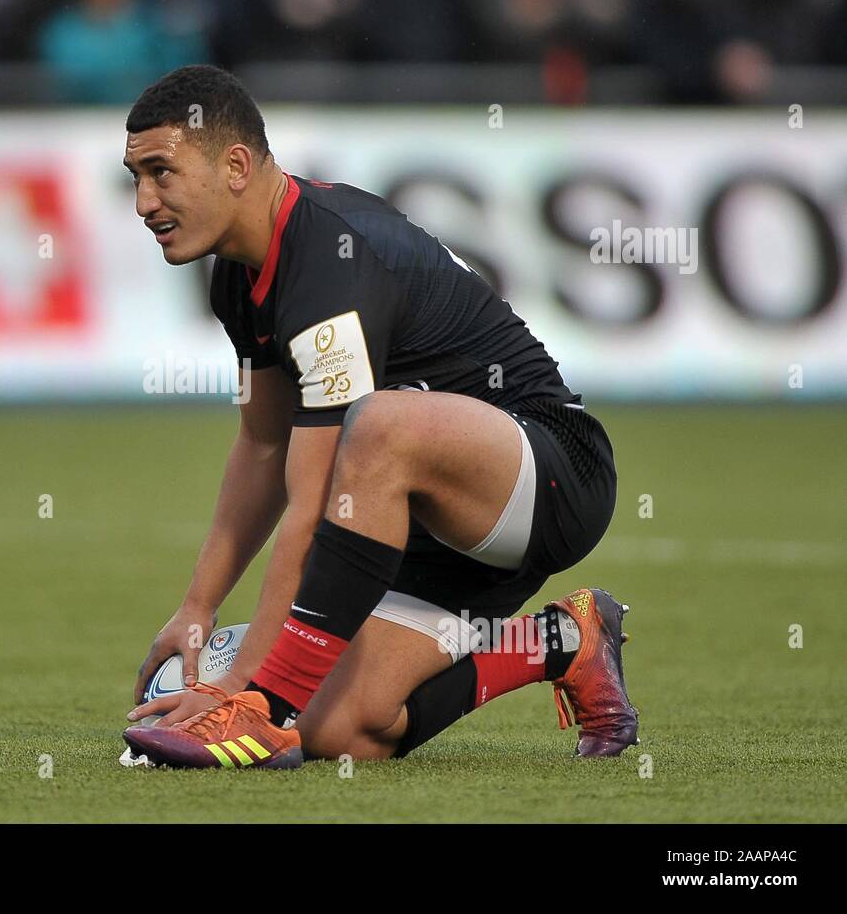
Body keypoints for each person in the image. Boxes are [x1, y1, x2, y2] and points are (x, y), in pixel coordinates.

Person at [120, 65, 635, 769]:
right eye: (135, 178)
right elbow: (265, 447)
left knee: (378, 428)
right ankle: (562, 641)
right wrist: (196, 608)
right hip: (419, 517)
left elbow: (313, 500)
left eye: (160, 172)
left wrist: (245, 691)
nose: (144, 202)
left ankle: (262, 715)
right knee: (341, 731)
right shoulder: (237, 279)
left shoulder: (328, 259)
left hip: (548, 475)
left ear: (235, 165)